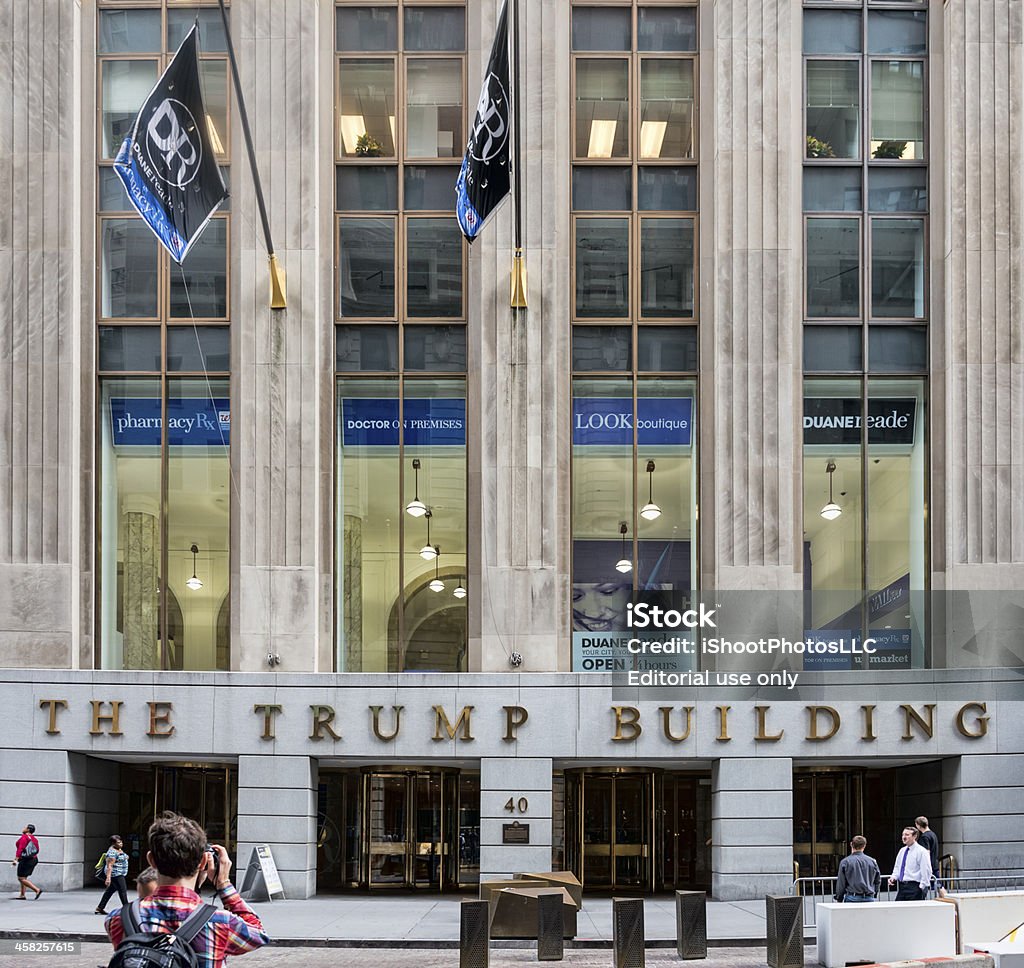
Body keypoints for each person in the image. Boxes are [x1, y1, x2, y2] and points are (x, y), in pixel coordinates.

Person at [105, 811, 268, 967]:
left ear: (151, 860)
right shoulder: (220, 922)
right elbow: (258, 935)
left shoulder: (118, 919)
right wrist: (223, 883)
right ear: (203, 861)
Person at [888, 825, 932, 900]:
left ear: (914, 836)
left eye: (907, 835)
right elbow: (898, 867)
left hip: (915, 886)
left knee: (914, 911)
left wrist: (922, 886)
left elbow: (926, 870)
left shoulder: (921, 851)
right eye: (903, 834)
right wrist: (893, 877)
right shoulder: (902, 850)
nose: (904, 837)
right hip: (902, 886)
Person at [834, 835, 881, 902]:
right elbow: (877, 880)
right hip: (869, 897)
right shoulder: (872, 861)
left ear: (851, 844)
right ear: (864, 846)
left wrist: (839, 898)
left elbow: (841, 883)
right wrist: (874, 893)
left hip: (852, 897)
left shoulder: (845, 862)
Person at [96, 834, 130, 914]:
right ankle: (127, 909)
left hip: (120, 872)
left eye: (121, 841)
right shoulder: (112, 853)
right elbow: (109, 866)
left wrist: (125, 857)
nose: (121, 843)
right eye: (118, 842)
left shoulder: (119, 849)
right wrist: (108, 878)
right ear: (113, 843)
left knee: (110, 891)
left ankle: (100, 907)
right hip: (116, 874)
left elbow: (121, 857)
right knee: (123, 891)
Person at [11, 823, 41, 899]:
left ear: (28, 829)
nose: (23, 828)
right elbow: (37, 850)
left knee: (21, 878)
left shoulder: (24, 837)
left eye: (25, 827)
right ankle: (22, 895)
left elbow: (20, 849)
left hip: (26, 860)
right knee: (24, 878)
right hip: (34, 859)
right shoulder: (34, 839)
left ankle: (37, 890)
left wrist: (16, 859)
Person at [915, 816, 941, 893]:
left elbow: (926, 853)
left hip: (930, 865)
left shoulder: (924, 837)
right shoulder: (933, 834)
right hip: (935, 864)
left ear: (918, 825)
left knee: (931, 887)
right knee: (939, 886)